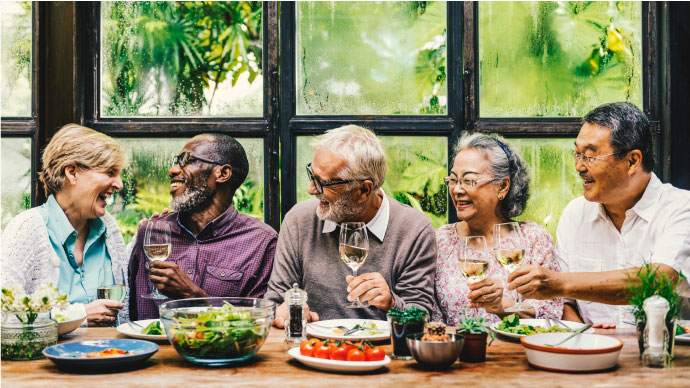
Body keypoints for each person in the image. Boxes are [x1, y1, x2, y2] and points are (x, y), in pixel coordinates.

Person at [508, 102, 690, 328]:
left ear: (632, 161)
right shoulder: (576, 213)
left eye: (589, 156)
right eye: (577, 154)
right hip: (592, 355)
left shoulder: (681, 208)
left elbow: (659, 281)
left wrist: (559, 283)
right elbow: (566, 303)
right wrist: (585, 334)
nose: (578, 167)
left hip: (664, 354)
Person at [265, 125, 437, 327]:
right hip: (313, 351)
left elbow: (422, 316)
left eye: (323, 183)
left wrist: (392, 303)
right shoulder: (299, 220)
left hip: (382, 354)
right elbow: (274, 302)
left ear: (364, 190)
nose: (311, 189)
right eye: (312, 175)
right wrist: (284, 311)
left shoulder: (414, 230)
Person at [128, 134, 277, 320]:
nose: (172, 170)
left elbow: (258, 322)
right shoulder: (151, 233)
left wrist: (194, 297)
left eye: (186, 161)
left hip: (223, 349)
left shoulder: (261, 242)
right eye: (175, 162)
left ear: (222, 174)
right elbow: (132, 313)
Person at [1, 124, 129, 326]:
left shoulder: (109, 229)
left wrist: (148, 236)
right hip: (48, 358)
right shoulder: (25, 230)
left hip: (112, 355)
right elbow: (4, 316)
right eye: (110, 172)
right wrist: (80, 315)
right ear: (72, 172)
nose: (119, 183)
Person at [432, 133, 563, 325]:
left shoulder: (533, 240)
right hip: (458, 352)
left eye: (469, 181)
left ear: (502, 186)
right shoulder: (440, 241)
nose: (457, 190)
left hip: (516, 352)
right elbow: (430, 318)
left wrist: (502, 306)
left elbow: (549, 314)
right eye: (453, 180)